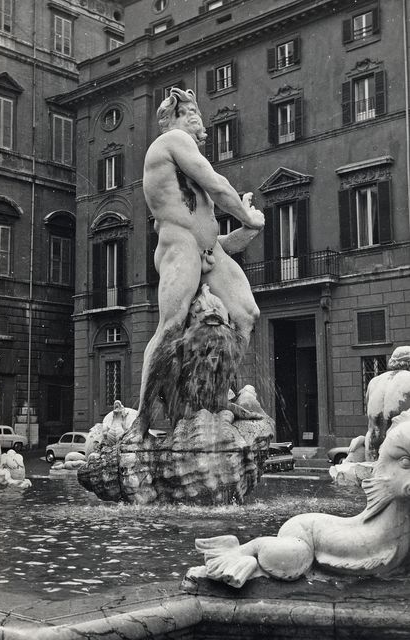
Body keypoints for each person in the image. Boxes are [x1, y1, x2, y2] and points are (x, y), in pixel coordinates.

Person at [138, 87, 265, 430]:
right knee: (171, 326)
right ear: (177, 114)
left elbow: (221, 238)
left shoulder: (184, 151)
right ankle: (143, 419)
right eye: (192, 112)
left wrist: (248, 231)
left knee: (245, 314)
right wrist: (247, 216)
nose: (199, 121)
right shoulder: (172, 140)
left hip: (210, 250)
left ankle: (217, 394)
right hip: (179, 244)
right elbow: (219, 186)